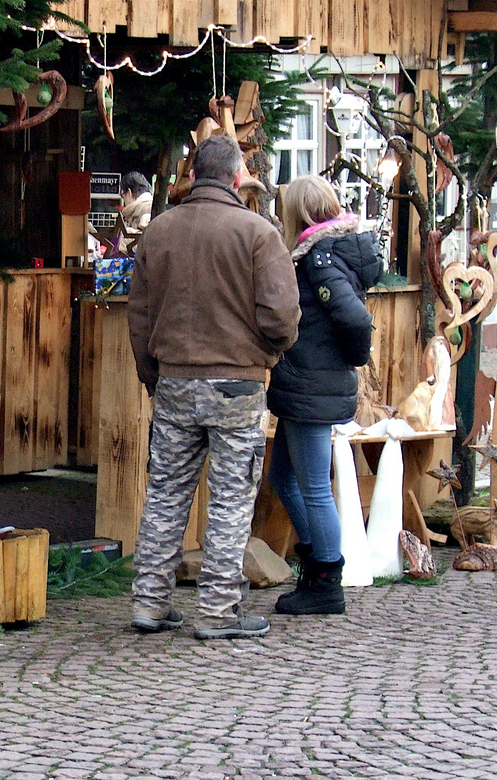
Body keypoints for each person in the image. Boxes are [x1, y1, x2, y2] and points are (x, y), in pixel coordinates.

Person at [127, 136, 300, 638]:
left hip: (175, 380)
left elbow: (138, 316)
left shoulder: (158, 232)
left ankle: (149, 604)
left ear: (194, 173)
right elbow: (282, 317)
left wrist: (151, 375)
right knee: (229, 500)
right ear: (235, 176)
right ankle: (218, 612)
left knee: (164, 494)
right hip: (237, 386)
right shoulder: (258, 233)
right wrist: (269, 353)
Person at [266, 176, 382, 616]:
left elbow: (354, 319)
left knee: (315, 487)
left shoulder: (318, 257)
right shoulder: (327, 253)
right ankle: (315, 561)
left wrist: (351, 359)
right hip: (309, 381)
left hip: (312, 384)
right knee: (284, 478)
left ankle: (326, 582)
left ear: (300, 213)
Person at [116, 172, 153, 254]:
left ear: (129, 193)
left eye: (123, 195)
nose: (123, 200)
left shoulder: (146, 210)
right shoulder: (149, 207)